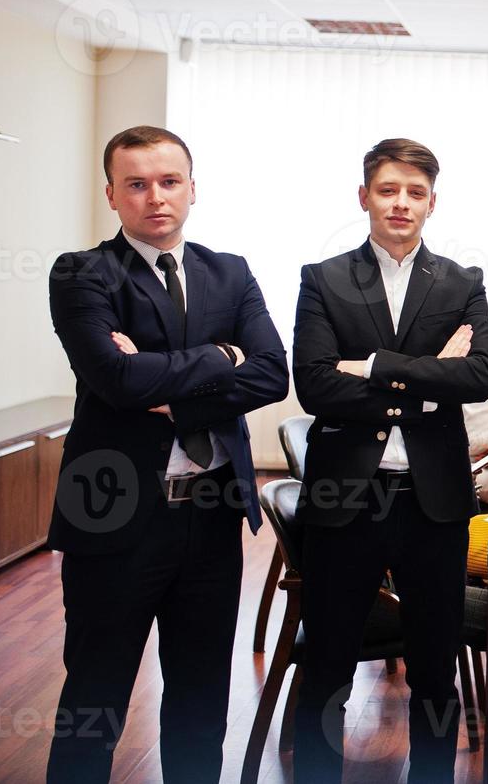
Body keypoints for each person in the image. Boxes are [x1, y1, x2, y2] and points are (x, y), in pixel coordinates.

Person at [45, 126, 288, 784]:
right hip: (113, 515)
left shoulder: (229, 272)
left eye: (169, 181)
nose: (156, 196)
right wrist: (218, 358)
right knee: (93, 703)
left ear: (191, 188)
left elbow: (271, 375)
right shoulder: (82, 273)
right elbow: (115, 380)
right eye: (137, 184)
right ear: (112, 195)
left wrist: (172, 390)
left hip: (210, 517)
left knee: (200, 702)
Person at [291, 138, 488, 783]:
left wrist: (377, 367)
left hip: (432, 500)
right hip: (344, 498)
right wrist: (427, 386)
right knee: (328, 659)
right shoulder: (323, 278)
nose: (400, 203)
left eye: (414, 192)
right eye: (388, 190)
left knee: (436, 665)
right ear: (364, 198)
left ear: (432, 203)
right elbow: (316, 385)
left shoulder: (463, 283)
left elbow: (479, 378)